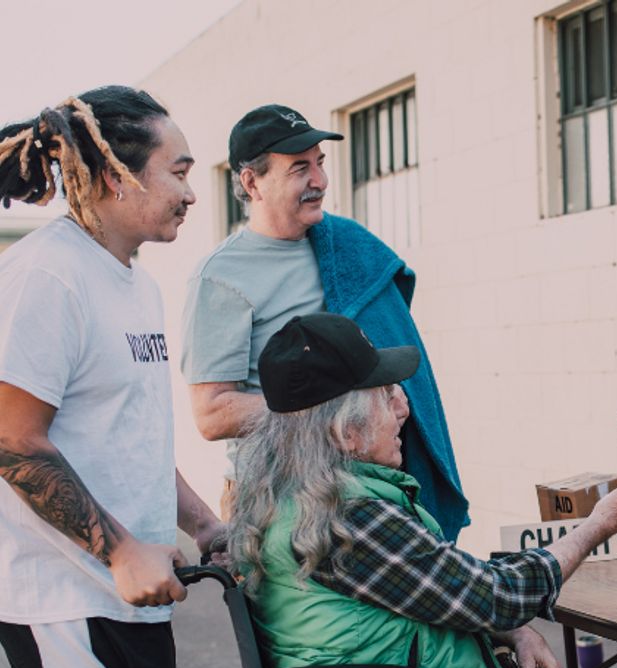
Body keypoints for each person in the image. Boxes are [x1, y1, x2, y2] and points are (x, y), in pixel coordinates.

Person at [229, 312, 617, 668]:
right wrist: (596, 526)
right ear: (346, 433)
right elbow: (497, 594)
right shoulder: (345, 518)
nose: (404, 409)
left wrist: (507, 627)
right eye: (386, 398)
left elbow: (438, 594)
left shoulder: (291, 498)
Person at [0, 86, 226, 668]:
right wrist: (123, 552)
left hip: (135, 601)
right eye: (179, 172)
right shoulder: (47, 276)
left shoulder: (136, 284)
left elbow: (133, 435)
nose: (191, 194)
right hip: (65, 600)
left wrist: (202, 522)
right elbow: (13, 442)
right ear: (112, 175)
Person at [181, 103, 469, 542]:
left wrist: (381, 399)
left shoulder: (348, 247)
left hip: (367, 488)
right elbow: (212, 414)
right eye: (300, 168)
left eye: (320, 163)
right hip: (276, 497)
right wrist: (334, 406)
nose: (320, 181)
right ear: (251, 182)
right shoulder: (221, 277)